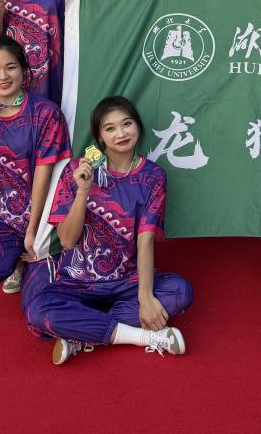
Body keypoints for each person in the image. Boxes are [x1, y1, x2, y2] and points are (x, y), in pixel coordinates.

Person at [26, 96, 193, 365]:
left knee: (180, 291)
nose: (121, 133)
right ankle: (142, 336)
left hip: (127, 282)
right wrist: (83, 191)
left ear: (138, 126)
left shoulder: (153, 176)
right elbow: (67, 241)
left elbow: (145, 240)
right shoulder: (75, 170)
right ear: (99, 137)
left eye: (127, 124)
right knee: (38, 312)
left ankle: (82, 332)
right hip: (77, 284)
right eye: (110, 128)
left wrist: (145, 297)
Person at [0, 37, 71, 293]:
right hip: (3, 218)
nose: (3, 76)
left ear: (24, 69)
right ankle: (16, 258)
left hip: (47, 217)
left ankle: (35, 258)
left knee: (47, 292)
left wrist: (33, 231)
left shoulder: (45, 112)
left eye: (11, 67)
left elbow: (44, 174)